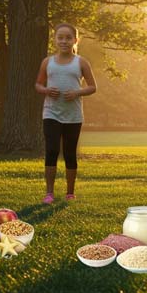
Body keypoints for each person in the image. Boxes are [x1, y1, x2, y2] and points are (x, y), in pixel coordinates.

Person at [35, 23, 96, 204]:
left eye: (68, 38)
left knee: (69, 153)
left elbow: (93, 87)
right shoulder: (48, 62)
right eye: (60, 37)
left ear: (75, 40)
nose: (64, 41)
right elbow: (37, 84)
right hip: (51, 113)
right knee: (52, 150)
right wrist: (46, 90)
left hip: (73, 115)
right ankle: (49, 193)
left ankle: (70, 192)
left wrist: (77, 92)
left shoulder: (81, 62)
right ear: (55, 39)